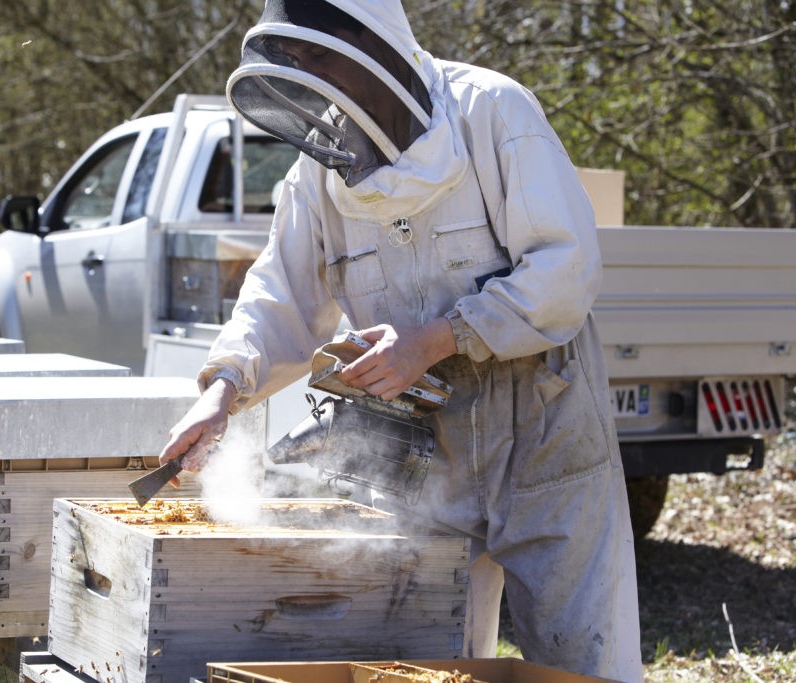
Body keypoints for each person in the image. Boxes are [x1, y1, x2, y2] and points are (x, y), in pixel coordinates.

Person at [157, 1, 643, 680]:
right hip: (426, 451)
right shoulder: (319, 173)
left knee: (579, 657)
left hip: (544, 434)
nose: (307, 75)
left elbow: (566, 270)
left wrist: (441, 336)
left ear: (372, 44)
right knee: (427, 660)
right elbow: (280, 295)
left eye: (318, 56)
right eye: (296, 61)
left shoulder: (491, 114)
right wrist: (223, 388)